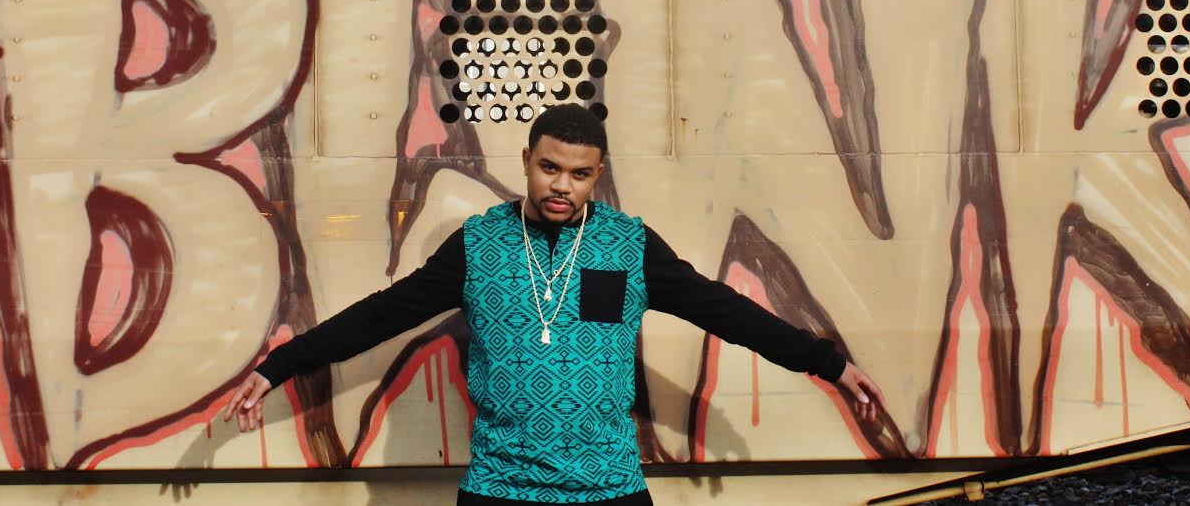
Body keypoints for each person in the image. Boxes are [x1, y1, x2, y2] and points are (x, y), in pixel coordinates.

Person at [222, 103, 883, 505]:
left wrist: (826, 362)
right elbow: (379, 315)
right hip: (501, 488)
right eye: (549, 168)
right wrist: (277, 367)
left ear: (597, 174)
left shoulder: (628, 245)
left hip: (609, 488)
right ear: (527, 160)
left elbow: (723, 310)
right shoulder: (478, 245)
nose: (562, 186)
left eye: (579, 173)